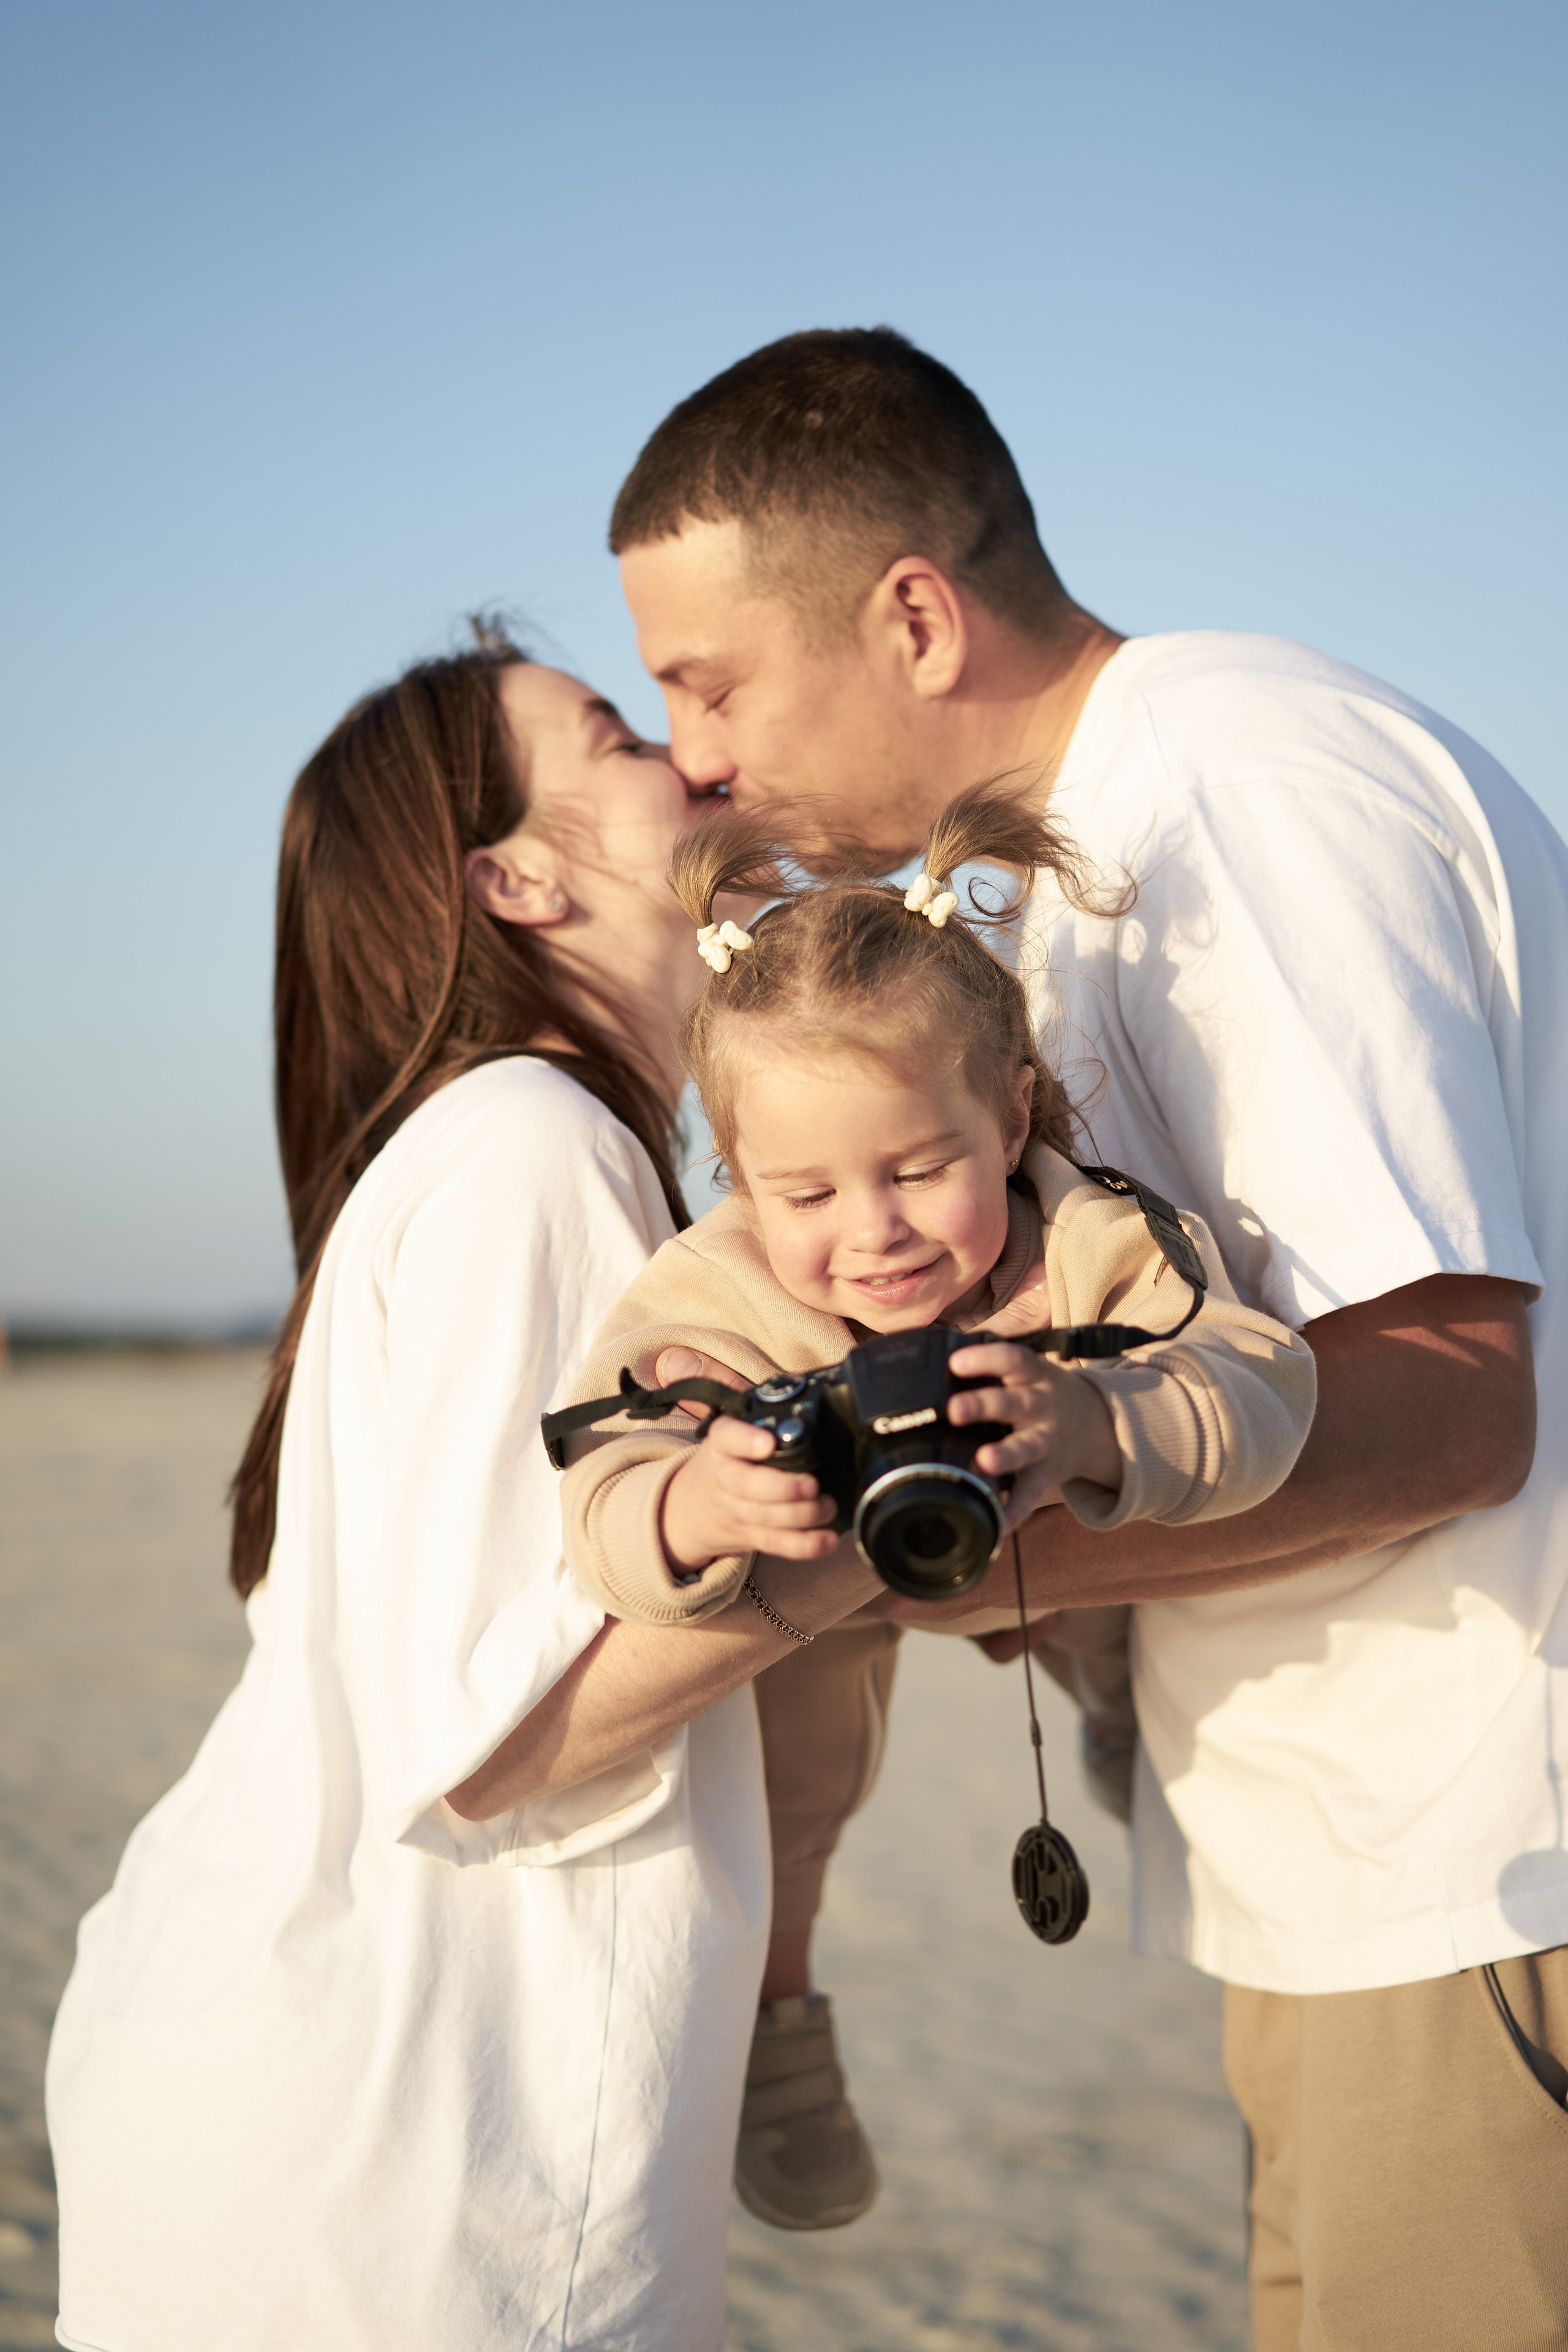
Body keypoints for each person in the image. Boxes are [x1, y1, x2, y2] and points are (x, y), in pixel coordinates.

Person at [609, 330, 1568, 2350]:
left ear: (914, 616)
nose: (684, 756)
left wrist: (981, 1566)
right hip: (1360, 1872)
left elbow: (1467, 1404)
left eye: (709, 683)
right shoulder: (1084, 867)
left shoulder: (1240, 805)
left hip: (1482, 1859)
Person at [45, 629, 884, 2352]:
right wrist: (912, 1527)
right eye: (613, 735)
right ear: (519, 875)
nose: (688, 754)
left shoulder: (518, 1150)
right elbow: (492, 1738)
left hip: (299, 2093)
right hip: (408, 2149)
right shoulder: (534, 1149)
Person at [552, 780, 1316, 2231]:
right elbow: (597, 1498)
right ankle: (781, 2016)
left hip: (1060, 1545)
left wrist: (1099, 1418)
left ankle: (1114, 1714)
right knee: (785, 1743)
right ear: (732, 1175)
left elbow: (1266, 1390)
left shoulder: (1089, 1240)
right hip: (832, 1560)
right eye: (807, 1193)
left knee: (1137, 1589)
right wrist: (696, 1509)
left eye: (918, 1169)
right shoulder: (718, 1294)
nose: (873, 1233)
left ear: (1010, 1109)